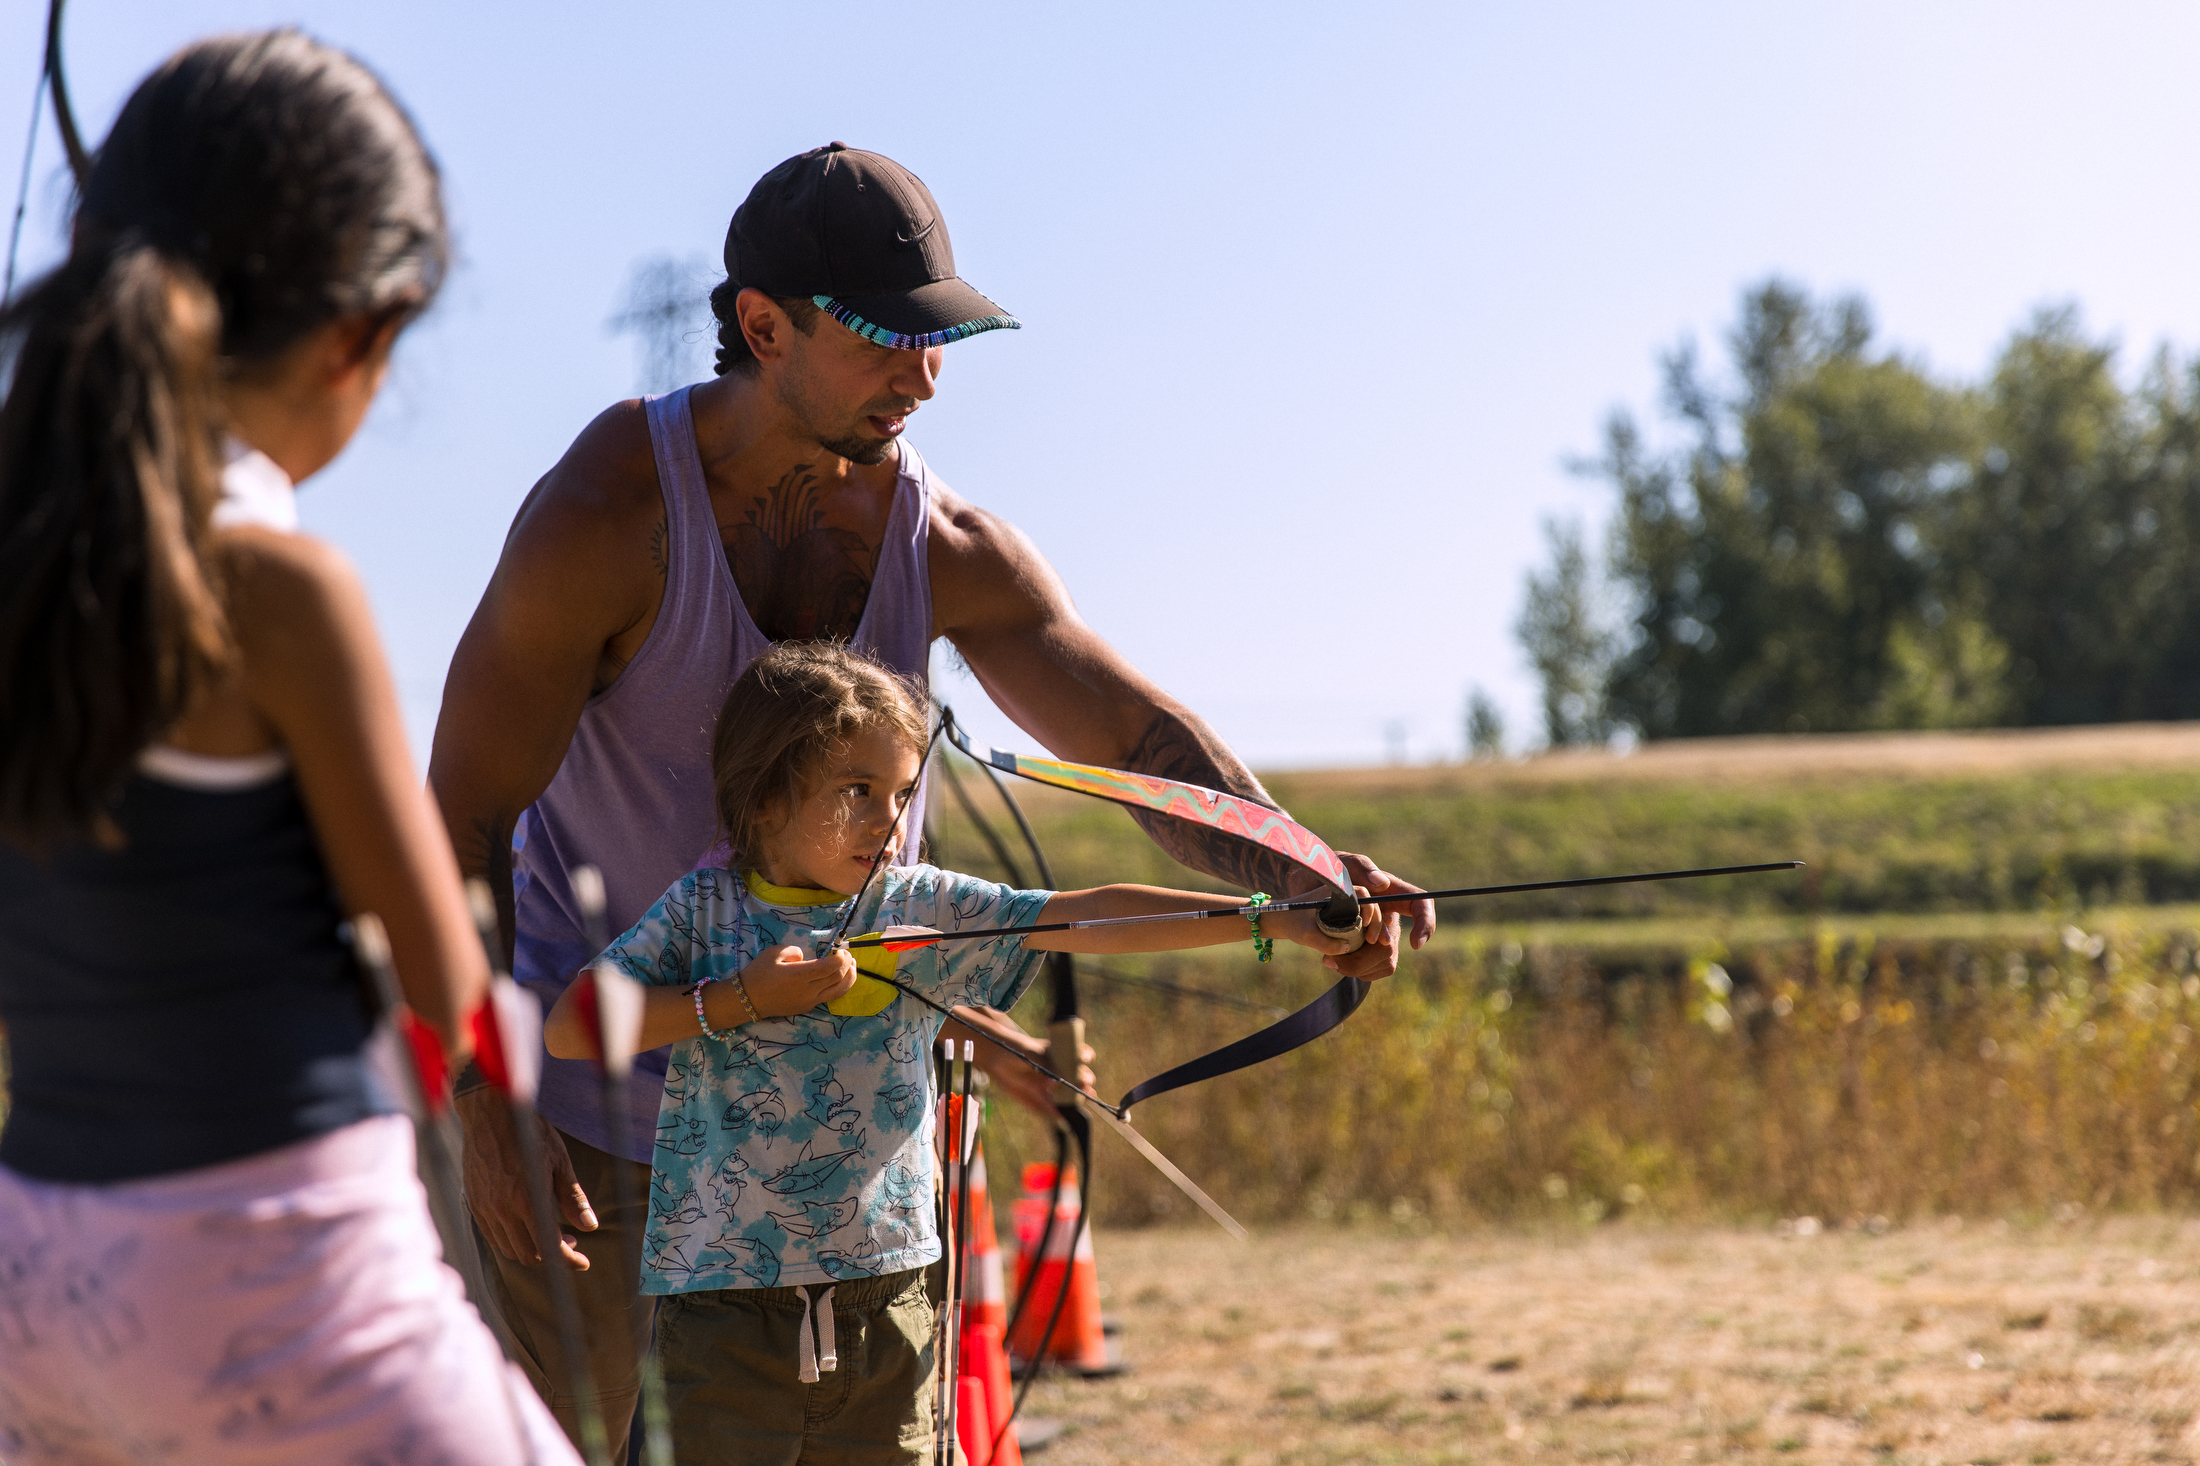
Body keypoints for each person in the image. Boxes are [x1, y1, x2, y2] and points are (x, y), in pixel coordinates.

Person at [428, 142, 1434, 1458]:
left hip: (850, 1158)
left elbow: (1131, 734)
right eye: (885, 340)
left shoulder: (943, 543)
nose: (924, 374)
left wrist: (1290, 864)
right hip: (606, 1134)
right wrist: (484, 1096)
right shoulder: (610, 515)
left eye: (939, 339)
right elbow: (453, 824)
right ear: (763, 327)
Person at [0, 32, 575, 1466]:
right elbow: (445, 995)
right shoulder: (279, 594)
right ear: (355, 338)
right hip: (277, 1274)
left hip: (34, 1282)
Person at [539, 643, 1376, 1462]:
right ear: (765, 799)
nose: (889, 821)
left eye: (903, 792)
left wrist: (1276, 914)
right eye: (856, 790)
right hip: (720, 1310)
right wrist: (741, 999)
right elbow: (571, 1026)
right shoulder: (703, 912)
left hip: (892, 1300)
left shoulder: (916, 906)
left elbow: (1079, 915)